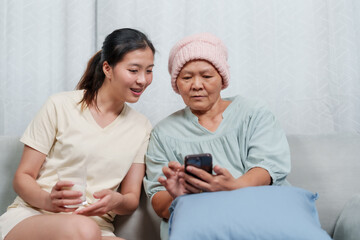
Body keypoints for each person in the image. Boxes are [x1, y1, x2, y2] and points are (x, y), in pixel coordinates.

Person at [0, 28, 155, 240]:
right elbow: (22, 177)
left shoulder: (141, 126)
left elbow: (130, 198)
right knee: (84, 230)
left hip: (96, 229)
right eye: (134, 70)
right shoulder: (60, 105)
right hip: (34, 217)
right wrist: (49, 201)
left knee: (87, 230)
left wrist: (116, 201)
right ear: (108, 68)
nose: (143, 80)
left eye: (149, 70)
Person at [143, 32, 291, 240]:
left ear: (222, 79)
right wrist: (179, 196)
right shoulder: (163, 133)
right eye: (186, 77)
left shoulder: (253, 112)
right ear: (177, 84)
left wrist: (235, 187)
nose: (196, 85)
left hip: (259, 215)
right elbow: (159, 204)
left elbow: (268, 166)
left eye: (206, 76)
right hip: (199, 226)